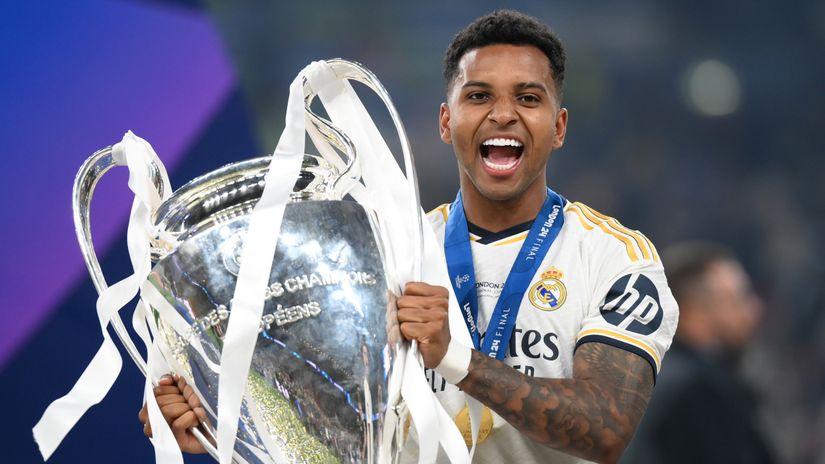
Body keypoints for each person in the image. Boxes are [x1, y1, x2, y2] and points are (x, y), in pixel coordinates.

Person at [141, 9, 678, 464]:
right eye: (478, 95)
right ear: (447, 122)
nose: (503, 113)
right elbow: (329, 424)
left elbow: (607, 427)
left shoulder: (613, 257)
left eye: (529, 98)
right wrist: (218, 411)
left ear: (559, 127)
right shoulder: (384, 251)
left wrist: (456, 358)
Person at [620, 243, 776, 464]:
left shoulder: (639, 376)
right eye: (738, 298)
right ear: (693, 310)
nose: (754, 310)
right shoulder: (698, 391)